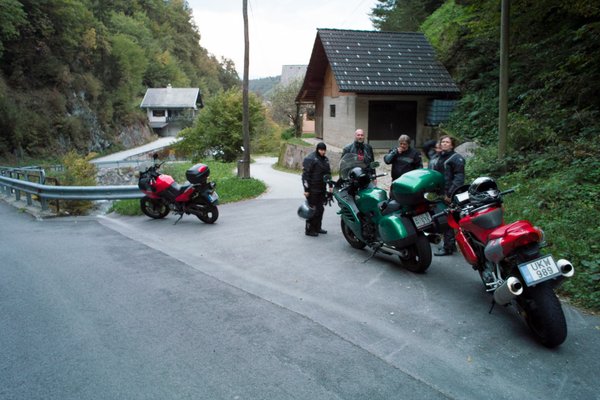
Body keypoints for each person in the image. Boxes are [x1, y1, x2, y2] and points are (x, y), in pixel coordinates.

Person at [433, 135, 465, 256]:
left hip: (450, 194)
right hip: (441, 194)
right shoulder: (440, 157)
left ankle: (448, 247)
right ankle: (451, 244)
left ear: (452, 145)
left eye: (447, 142)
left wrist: (450, 194)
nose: (444, 144)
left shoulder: (456, 158)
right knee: (445, 219)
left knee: (448, 220)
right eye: (443, 142)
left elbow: (459, 178)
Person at [301, 142, 332, 237]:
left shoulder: (325, 160)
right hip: (312, 189)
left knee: (320, 209)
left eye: (324, 150)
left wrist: (330, 186)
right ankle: (309, 230)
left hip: (322, 188)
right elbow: (305, 176)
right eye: (321, 150)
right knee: (312, 209)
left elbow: (328, 174)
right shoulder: (310, 159)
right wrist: (306, 189)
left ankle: (318, 227)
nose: (323, 152)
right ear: (317, 149)